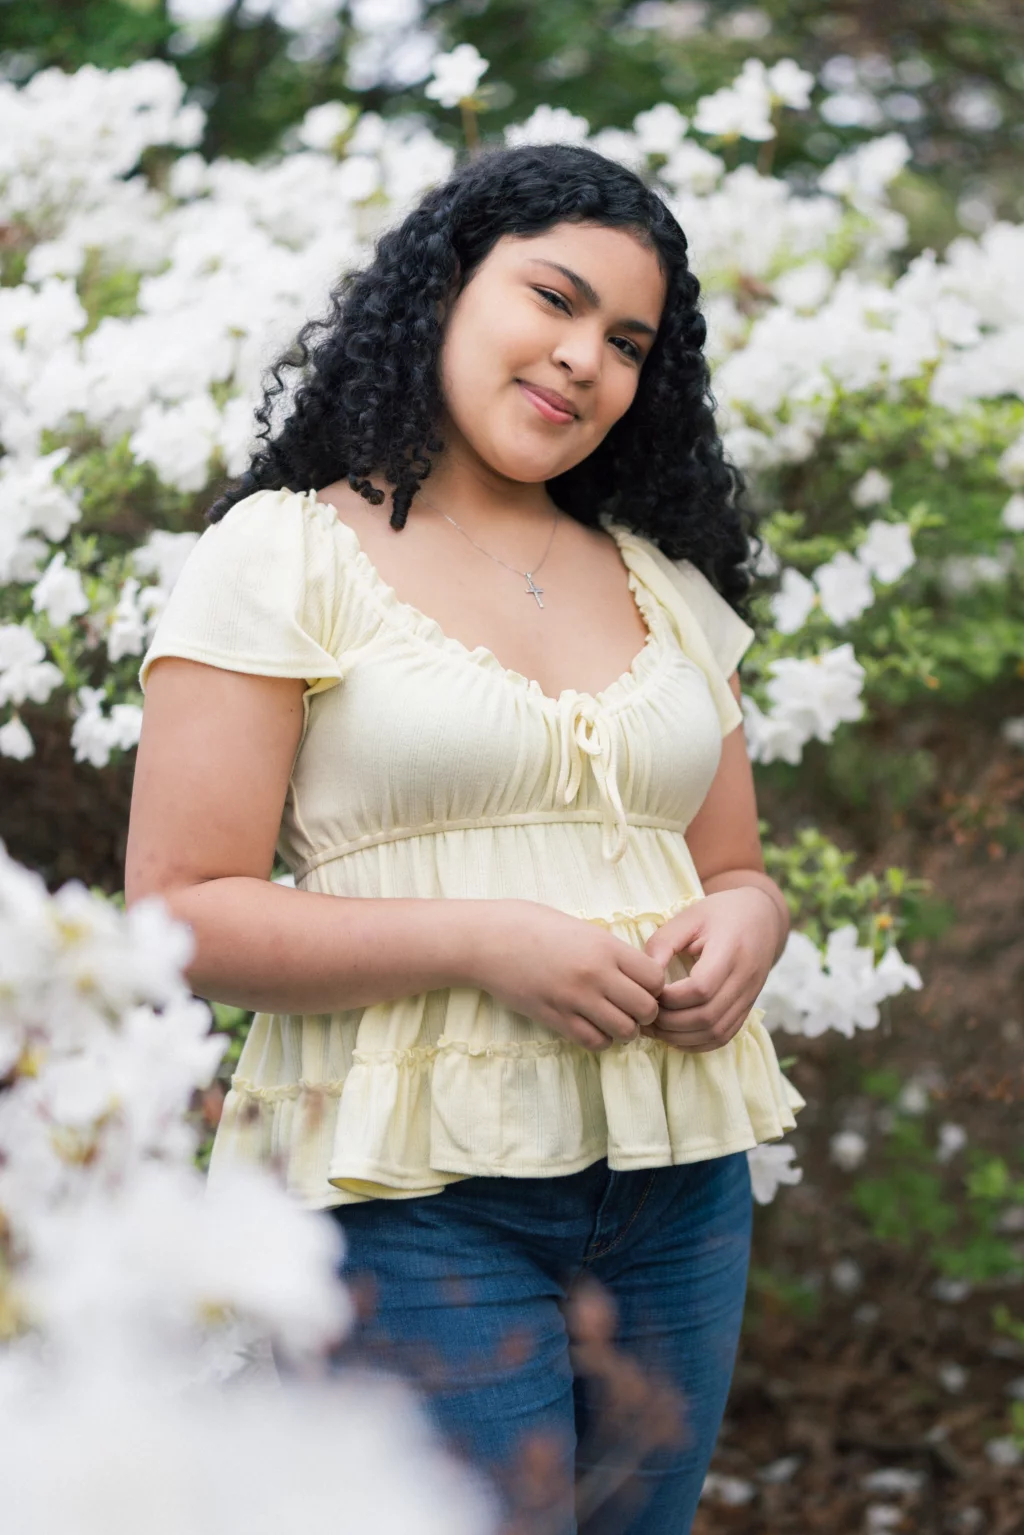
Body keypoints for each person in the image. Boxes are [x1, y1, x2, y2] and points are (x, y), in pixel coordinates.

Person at [126, 141, 803, 1534]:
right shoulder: (285, 552)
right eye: (550, 300)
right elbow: (184, 907)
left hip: (680, 1186)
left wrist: (752, 921)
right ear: (444, 285)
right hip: (413, 1192)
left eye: (627, 342)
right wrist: (485, 940)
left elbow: (732, 864)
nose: (581, 360)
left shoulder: (666, 585)